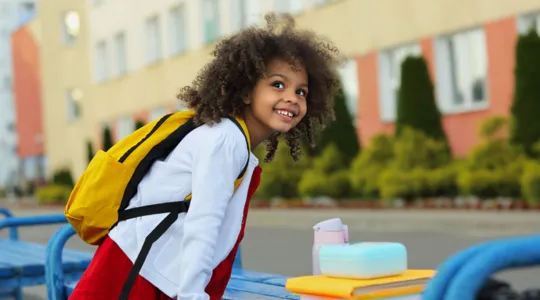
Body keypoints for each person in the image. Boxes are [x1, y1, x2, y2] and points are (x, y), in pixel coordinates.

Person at [69, 12, 342, 300]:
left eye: (301, 91)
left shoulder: (231, 139)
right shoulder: (226, 139)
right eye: (277, 84)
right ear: (247, 91)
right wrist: (192, 294)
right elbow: (204, 221)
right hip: (140, 269)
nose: (292, 97)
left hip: (152, 267)